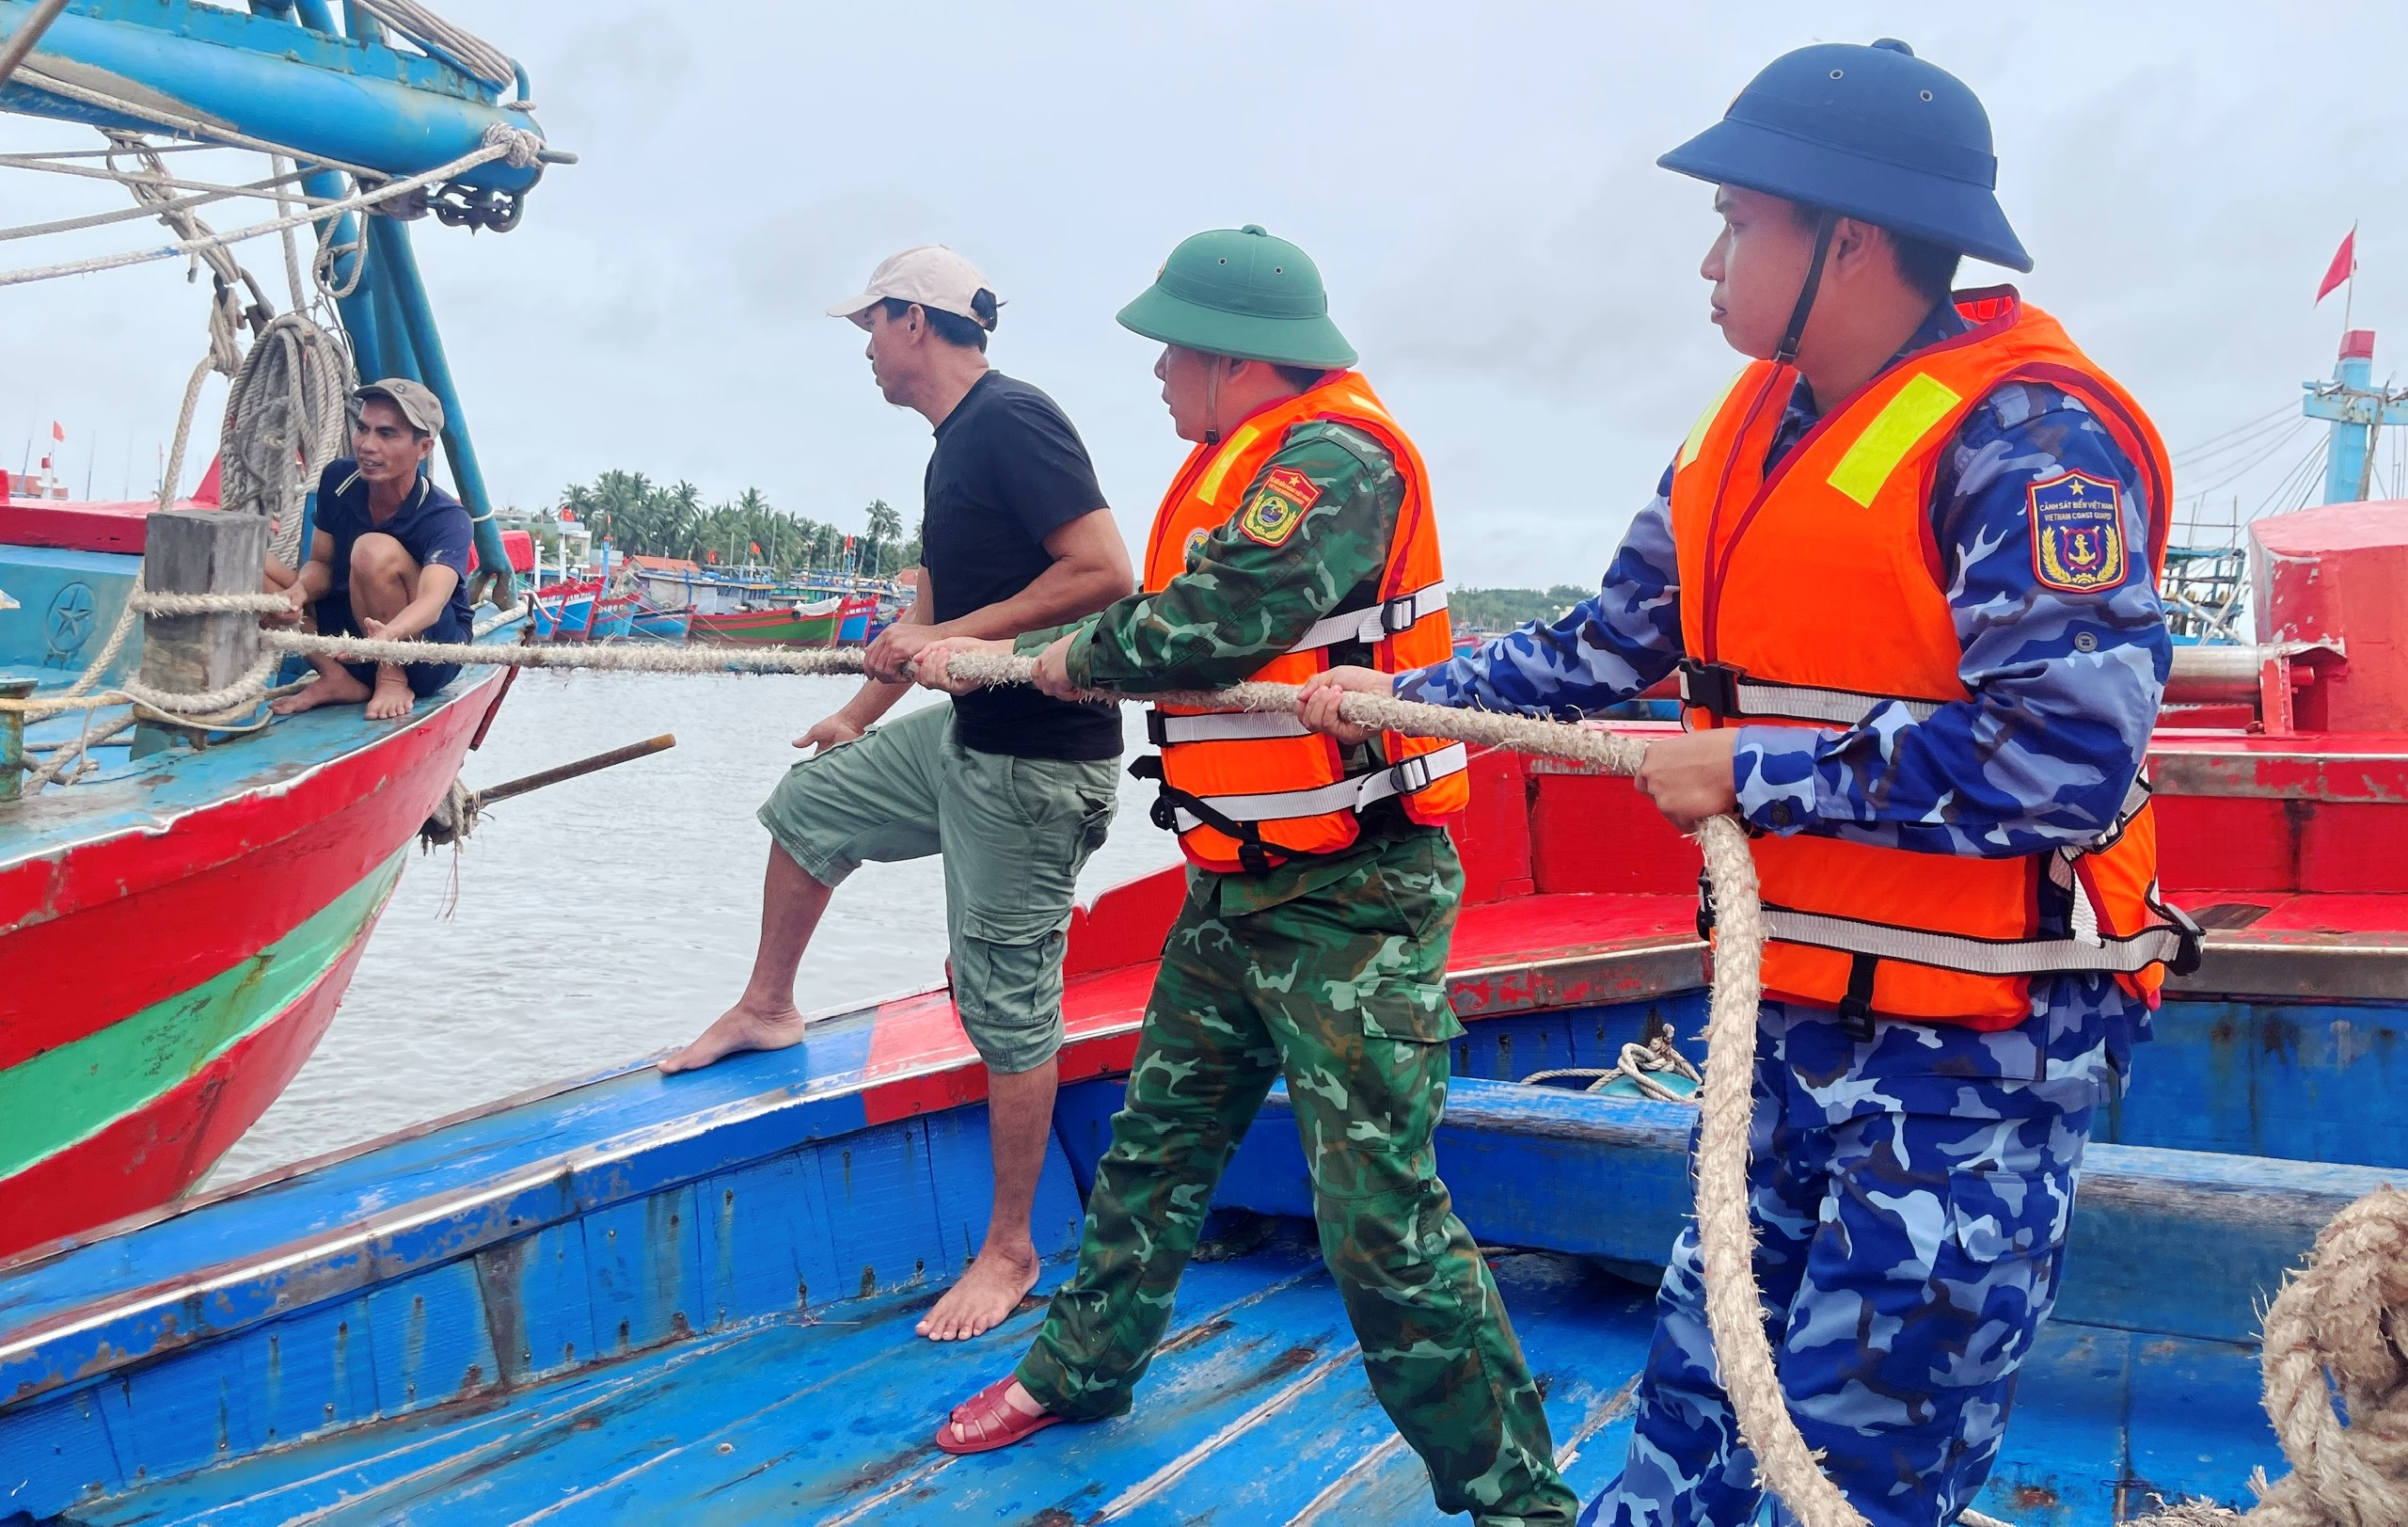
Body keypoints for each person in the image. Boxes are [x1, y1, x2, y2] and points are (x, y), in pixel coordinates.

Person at [1304, 40, 2198, 1527]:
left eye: (1736, 221)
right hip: (1783, 1016)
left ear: (1849, 239)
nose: (1709, 261)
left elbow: (2064, 756)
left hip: (1967, 1062)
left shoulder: (2033, 442)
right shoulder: (1739, 433)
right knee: (1700, 1398)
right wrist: (1401, 701)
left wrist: (1750, 771)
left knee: (1867, 1457)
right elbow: (1606, 644)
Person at [914, 226, 1578, 1526]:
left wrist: (1061, 655)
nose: (1160, 372)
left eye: (1173, 351)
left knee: (1379, 1219)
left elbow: (1219, 621)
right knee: (1154, 1146)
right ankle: (1082, 1367)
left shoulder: (1333, 460)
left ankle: (1518, 1501)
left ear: (1235, 357)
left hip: (1353, 902)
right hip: (1235, 888)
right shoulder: (1247, 460)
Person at [659, 245, 1133, 1346]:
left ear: (915, 320)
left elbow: (1106, 571)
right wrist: (857, 714)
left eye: (870, 325)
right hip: (965, 733)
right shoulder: (950, 445)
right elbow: (927, 613)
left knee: (1003, 1002)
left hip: (1038, 765)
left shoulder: (1013, 419)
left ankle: (1010, 1249)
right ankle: (768, 1007)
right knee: (809, 804)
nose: (864, 347)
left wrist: (947, 636)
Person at [269, 379, 474, 720]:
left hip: (425, 654)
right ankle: (335, 677)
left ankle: (391, 677)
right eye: (363, 429)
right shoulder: (338, 479)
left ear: (423, 448)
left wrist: (387, 638)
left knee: (371, 549)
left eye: (386, 434)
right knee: (251, 565)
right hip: (352, 641)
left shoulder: (447, 518)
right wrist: (298, 592)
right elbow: (321, 564)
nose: (367, 445)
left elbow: (432, 602)